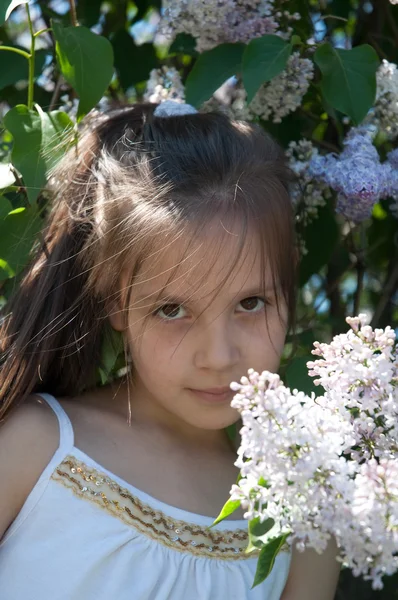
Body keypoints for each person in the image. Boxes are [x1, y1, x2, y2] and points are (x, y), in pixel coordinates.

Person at [0, 100, 340, 599]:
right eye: (173, 310)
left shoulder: (305, 508)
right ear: (117, 300)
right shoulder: (38, 447)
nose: (219, 356)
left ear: (288, 278)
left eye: (251, 302)